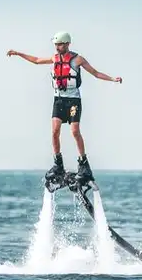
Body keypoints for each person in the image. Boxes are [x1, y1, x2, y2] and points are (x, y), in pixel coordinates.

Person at [7, 31, 122, 185]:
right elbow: (36, 60)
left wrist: (113, 79)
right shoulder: (54, 58)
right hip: (59, 100)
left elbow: (95, 73)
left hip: (73, 100)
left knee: (75, 131)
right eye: (56, 44)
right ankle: (58, 165)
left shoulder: (77, 59)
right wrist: (18, 53)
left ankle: (83, 164)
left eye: (60, 44)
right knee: (54, 132)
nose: (57, 47)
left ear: (67, 44)